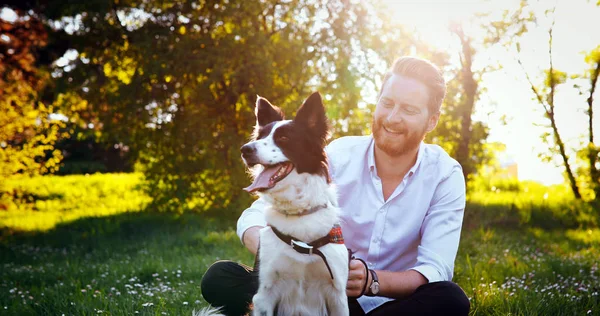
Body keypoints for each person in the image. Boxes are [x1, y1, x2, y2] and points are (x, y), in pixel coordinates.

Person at [201, 56, 470, 316]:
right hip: (318, 291)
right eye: (387, 103)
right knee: (220, 277)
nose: (392, 118)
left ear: (432, 120)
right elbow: (255, 215)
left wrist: (371, 281)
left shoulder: (445, 175)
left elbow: (435, 269)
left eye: (409, 110)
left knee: (450, 299)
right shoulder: (339, 154)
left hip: (395, 304)